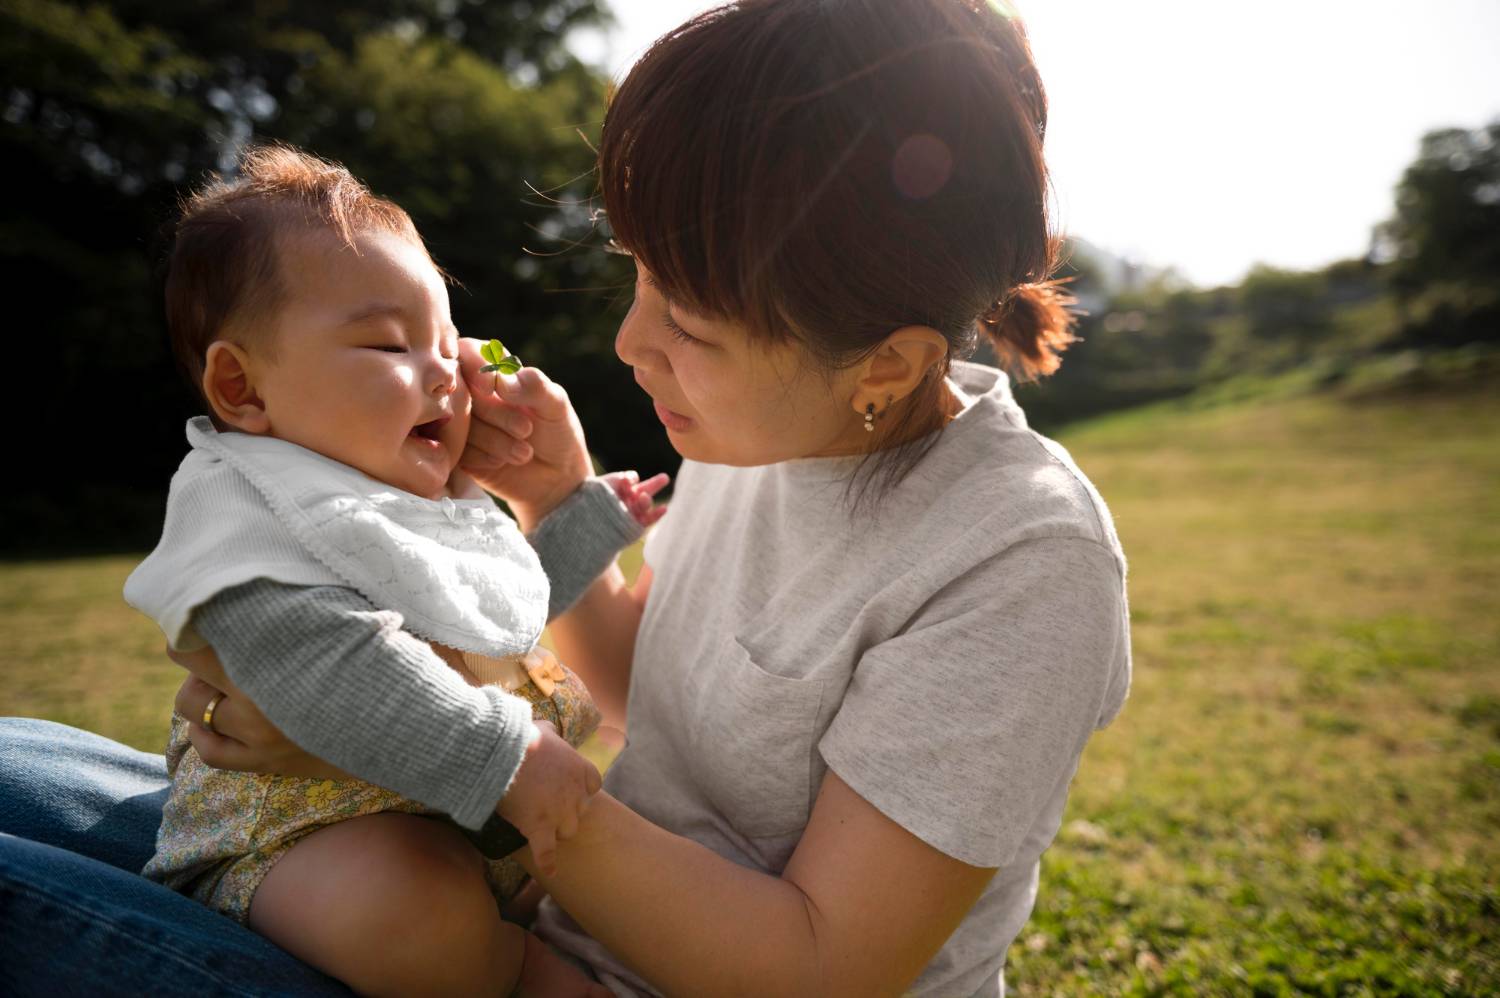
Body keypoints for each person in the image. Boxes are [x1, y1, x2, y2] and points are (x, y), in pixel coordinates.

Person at [0, 1, 1131, 995]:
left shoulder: (1019, 558)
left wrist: (425, 742)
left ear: (887, 363)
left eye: (690, 326)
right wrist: (555, 503)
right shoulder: (783, 426)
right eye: (637, 271)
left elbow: (816, 970)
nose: (631, 341)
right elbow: (669, 702)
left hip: (504, 945)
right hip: (496, 890)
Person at [122, 144, 666, 997]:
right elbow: (323, 663)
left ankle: (523, 948)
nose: (444, 377)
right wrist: (504, 757)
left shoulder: (409, 492)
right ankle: (517, 971)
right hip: (297, 840)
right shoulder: (249, 506)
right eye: (388, 345)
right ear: (242, 388)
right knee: (410, 914)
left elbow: (484, 615)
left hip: (459, 824)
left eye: (449, 346)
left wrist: (582, 520)